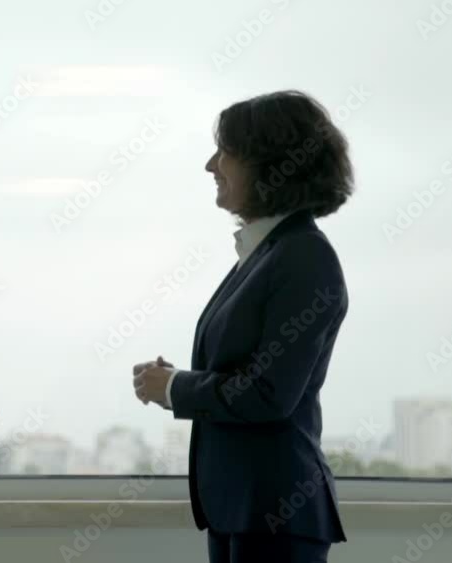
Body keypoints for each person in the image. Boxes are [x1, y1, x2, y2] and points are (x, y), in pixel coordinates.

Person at [132, 90, 354, 562]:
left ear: (270, 162)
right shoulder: (268, 254)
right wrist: (178, 383)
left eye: (225, 152)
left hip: (274, 513)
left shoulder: (304, 256)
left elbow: (268, 395)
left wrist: (175, 387)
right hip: (243, 510)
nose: (211, 166)